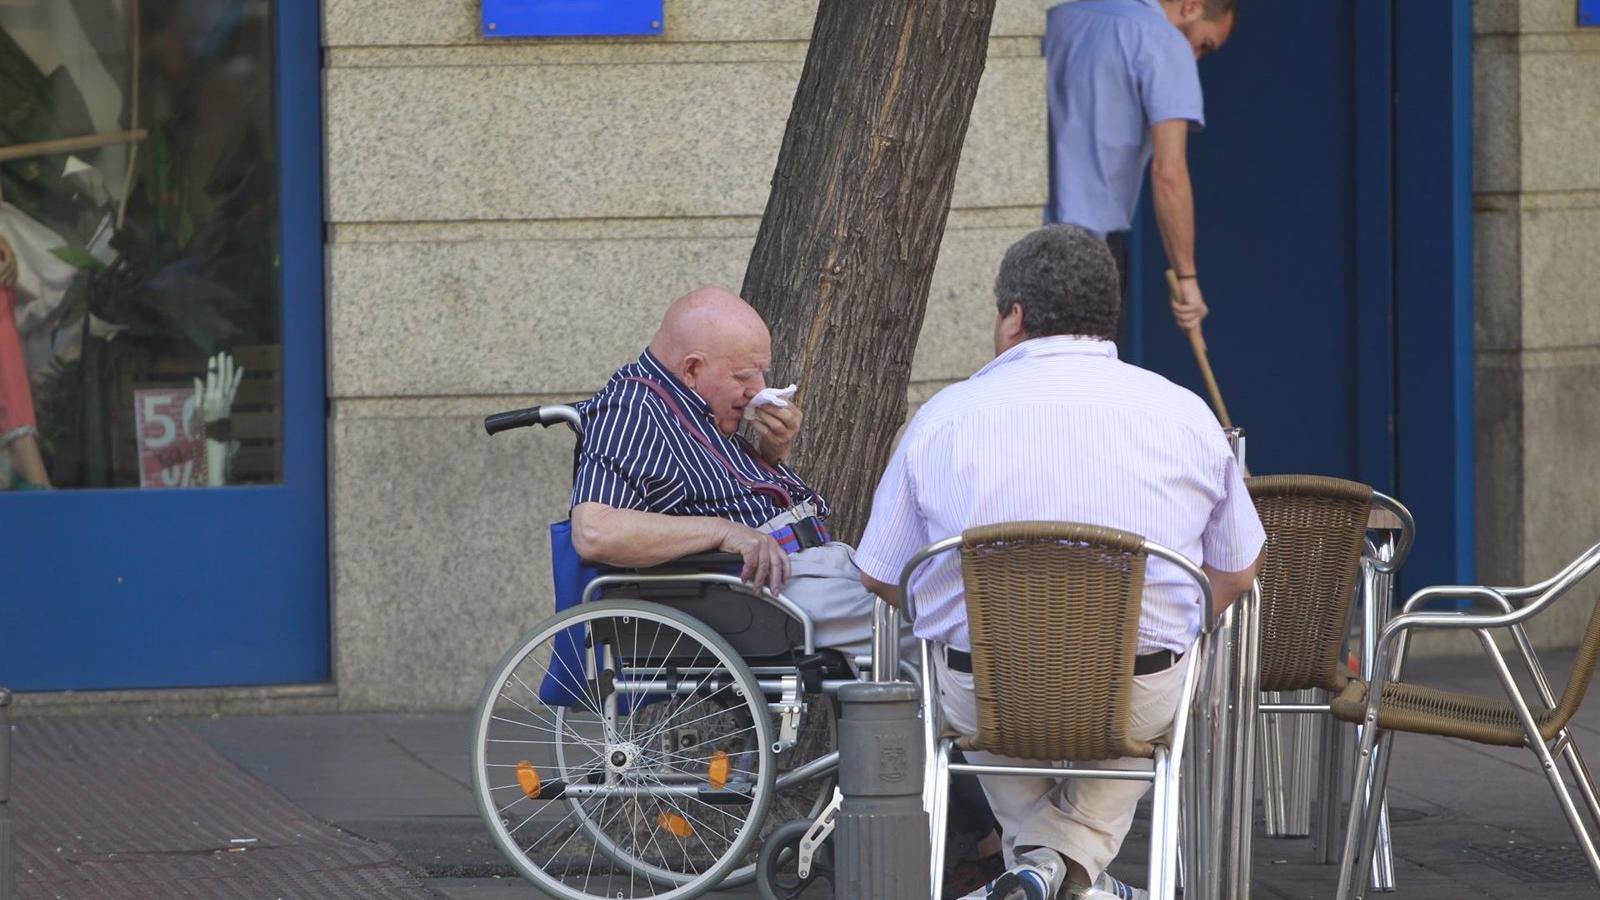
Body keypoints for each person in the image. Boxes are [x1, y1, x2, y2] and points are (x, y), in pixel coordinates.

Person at [856, 225, 1265, 900]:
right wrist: (1179, 626)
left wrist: (963, 616)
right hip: (1137, 690)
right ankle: (1065, 874)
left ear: (1013, 316)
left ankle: (1041, 871)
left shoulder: (945, 418)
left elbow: (879, 571)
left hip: (987, 690)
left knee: (963, 668)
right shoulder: (1183, 415)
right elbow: (1238, 570)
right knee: (1162, 673)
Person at [569, 285, 885, 658]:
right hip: (758, 587)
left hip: (813, 566)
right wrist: (723, 531)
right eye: (743, 377)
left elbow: (725, 494)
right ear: (692, 369)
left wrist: (772, 453)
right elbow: (594, 531)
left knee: (930, 596)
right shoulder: (632, 410)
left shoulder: (696, 408)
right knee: (923, 625)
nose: (759, 391)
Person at [1044, 0, 1237, 347]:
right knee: (1091, 389)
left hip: (1028, 235)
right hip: (1089, 249)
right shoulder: (1163, 41)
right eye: (1203, 45)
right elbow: (1169, 173)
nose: (1194, 57)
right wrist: (1187, 277)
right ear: (1192, 6)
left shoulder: (1061, 17)